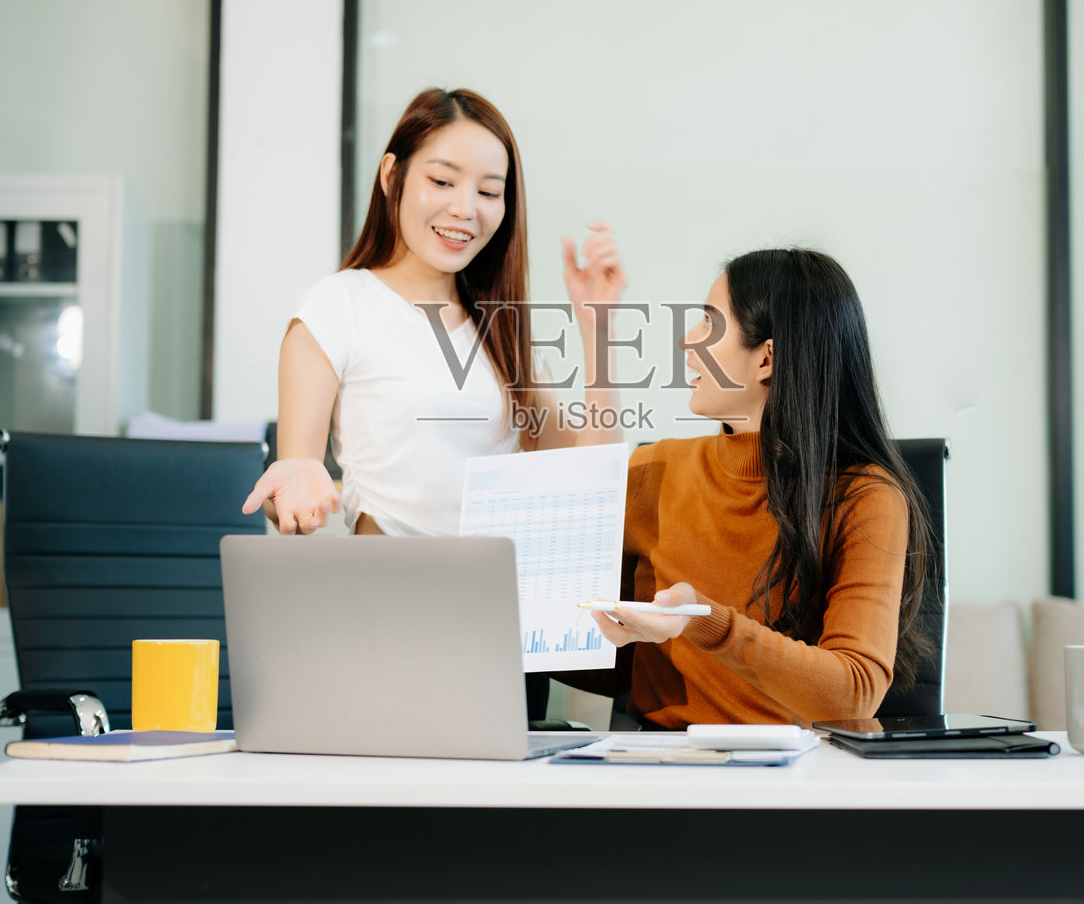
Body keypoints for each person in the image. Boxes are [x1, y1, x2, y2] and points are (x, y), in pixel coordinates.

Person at [563, 248, 932, 726]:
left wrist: (704, 621)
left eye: (709, 323)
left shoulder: (866, 497)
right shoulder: (651, 470)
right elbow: (608, 669)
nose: (686, 340)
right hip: (664, 772)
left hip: (809, 779)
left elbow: (854, 689)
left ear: (766, 359)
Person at [242, 87, 627, 538]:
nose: (464, 209)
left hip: (498, 593)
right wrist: (291, 493)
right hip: (390, 590)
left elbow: (588, 474)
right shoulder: (336, 307)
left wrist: (598, 327)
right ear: (392, 176)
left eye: (487, 191)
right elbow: (293, 487)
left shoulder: (499, 329)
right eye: (442, 182)